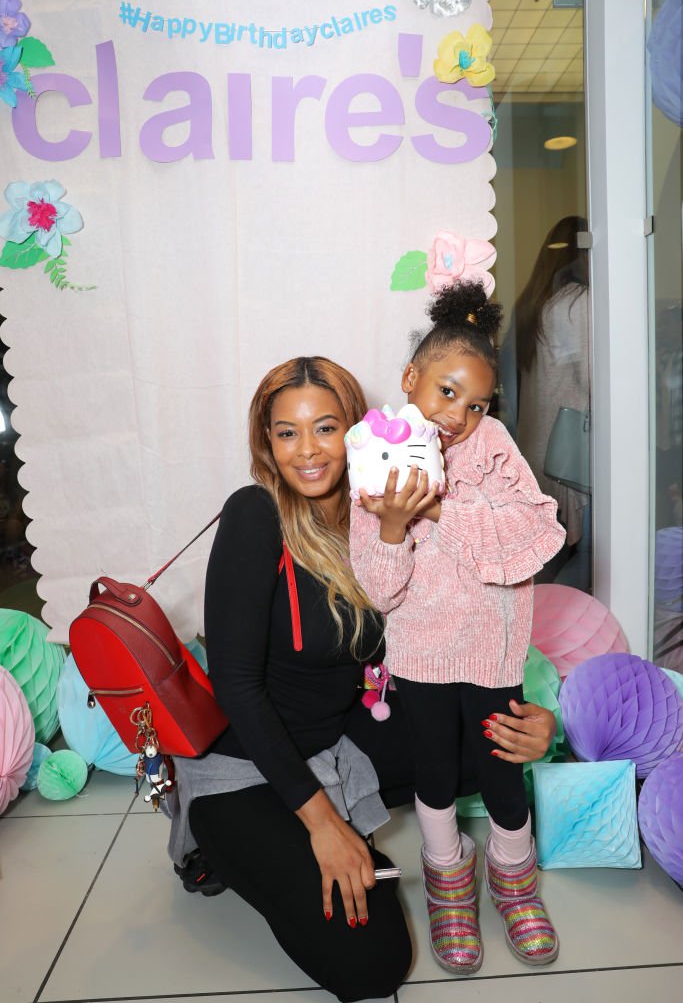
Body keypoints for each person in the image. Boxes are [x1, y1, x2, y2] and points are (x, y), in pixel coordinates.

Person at [167, 355, 560, 1003]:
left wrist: (531, 721)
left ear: (358, 428)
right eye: (285, 433)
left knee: (483, 745)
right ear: (264, 443)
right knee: (374, 965)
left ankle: (488, 872)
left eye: (324, 427)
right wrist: (322, 822)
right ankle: (223, 846)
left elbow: (448, 632)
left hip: (339, 741)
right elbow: (237, 687)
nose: (307, 452)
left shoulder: (378, 508)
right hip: (251, 768)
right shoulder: (255, 514)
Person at [349, 282, 566, 977]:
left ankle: (512, 875)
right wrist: (390, 524)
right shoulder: (374, 454)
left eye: (475, 404)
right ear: (410, 379)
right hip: (418, 652)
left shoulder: (493, 445)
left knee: (502, 769)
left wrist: (440, 511)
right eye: (445, 393)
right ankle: (447, 880)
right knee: (435, 772)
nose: (458, 416)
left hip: (492, 650)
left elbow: (535, 530)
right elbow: (380, 588)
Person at [514, 216, 591, 589]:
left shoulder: (535, 303)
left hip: (535, 447)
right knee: (587, 560)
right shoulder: (578, 303)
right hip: (567, 451)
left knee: (546, 559)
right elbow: (592, 381)